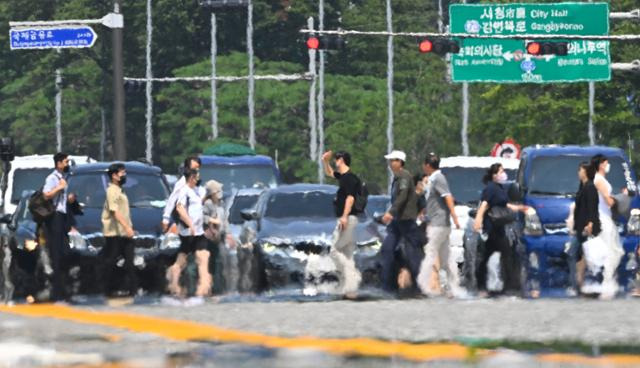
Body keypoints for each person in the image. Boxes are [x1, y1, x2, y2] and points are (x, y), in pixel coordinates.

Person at [473, 163, 528, 295]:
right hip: (492, 229)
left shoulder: (500, 188)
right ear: (494, 175)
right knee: (505, 255)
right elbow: (484, 205)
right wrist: (478, 220)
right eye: (501, 171)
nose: (504, 174)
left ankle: (486, 286)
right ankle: (508, 286)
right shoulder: (491, 189)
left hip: (499, 229)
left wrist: (521, 208)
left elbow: (506, 205)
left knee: (492, 256)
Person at [417, 154, 464, 297]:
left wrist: (455, 217)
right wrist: (424, 211)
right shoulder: (433, 179)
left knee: (429, 252)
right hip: (439, 222)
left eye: (424, 164)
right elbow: (434, 200)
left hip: (438, 224)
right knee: (446, 257)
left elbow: (448, 197)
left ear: (427, 165)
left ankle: (423, 286)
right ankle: (454, 287)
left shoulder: (438, 178)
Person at [380, 150, 425, 294]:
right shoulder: (397, 178)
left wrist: (390, 213)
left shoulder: (404, 177)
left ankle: (419, 287)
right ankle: (387, 286)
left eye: (393, 160)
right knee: (387, 249)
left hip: (406, 220)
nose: (390, 163)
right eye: (390, 160)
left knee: (413, 254)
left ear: (400, 162)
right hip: (397, 221)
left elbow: (402, 197)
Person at [322, 150, 362, 298]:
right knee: (347, 253)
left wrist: (344, 216)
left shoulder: (350, 178)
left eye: (337, 159)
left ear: (342, 160)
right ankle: (349, 289)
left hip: (348, 219)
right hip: (349, 219)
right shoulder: (344, 177)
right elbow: (329, 173)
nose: (335, 161)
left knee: (334, 249)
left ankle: (352, 275)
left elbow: (350, 199)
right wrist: (325, 161)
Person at [166, 168, 211, 297]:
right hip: (188, 231)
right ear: (191, 177)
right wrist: (190, 224)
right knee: (182, 259)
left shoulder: (197, 191)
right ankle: (173, 282)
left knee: (203, 256)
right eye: (197, 176)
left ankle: (203, 287)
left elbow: (199, 206)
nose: (199, 178)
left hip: (199, 231)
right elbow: (179, 208)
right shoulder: (184, 191)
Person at [99, 163, 138, 297]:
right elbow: (114, 211)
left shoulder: (120, 190)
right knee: (110, 261)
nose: (124, 175)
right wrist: (127, 227)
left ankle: (132, 289)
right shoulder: (112, 190)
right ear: (114, 176)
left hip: (124, 234)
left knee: (129, 261)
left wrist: (129, 227)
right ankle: (107, 289)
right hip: (114, 233)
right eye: (122, 173)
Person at [591, 154, 624, 300]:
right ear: (602, 164)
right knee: (613, 252)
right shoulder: (599, 179)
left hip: (604, 218)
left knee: (614, 251)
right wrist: (621, 199)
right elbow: (608, 201)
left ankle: (608, 283)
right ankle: (606, 285)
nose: (608, 165)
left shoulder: (599, 179)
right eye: (606, 163)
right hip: (603, 219)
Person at [566, 162, 600, 296]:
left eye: (580, 170)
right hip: (580, 227)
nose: (578, 172)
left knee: (575, 254)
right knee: (579, 255)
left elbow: (592, 207)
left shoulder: (590, 187)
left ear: (585, 171)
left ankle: (577, 286)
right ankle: (578, 285)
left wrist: (590, 224)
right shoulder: (583, 186)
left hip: (586, 228)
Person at [42, 152, 71, 301]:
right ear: (59, 163)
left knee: (65, 253)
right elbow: (46, 195)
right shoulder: (52, 178)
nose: (68, 164)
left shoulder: (63, 178)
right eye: (66, 162)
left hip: (62, 217)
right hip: (54, 218)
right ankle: (56, 292)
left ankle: (64, 290)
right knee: (56, 255)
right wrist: (59, 188)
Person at [203, 180, 235, 293]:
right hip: (209, 239)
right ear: (212, 193)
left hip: (220, 237)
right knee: (212, 264)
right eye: (217, 191)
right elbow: (201, 217)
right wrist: (212, 220)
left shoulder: (221, 204)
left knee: (221, 263)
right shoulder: (207, 204)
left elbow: (224, 220)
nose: (220, 193)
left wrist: (228, 234)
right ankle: (212, 288)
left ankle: (220, 288)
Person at [162, 156, 201, 233]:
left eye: (197, 168)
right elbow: (172, 199)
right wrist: (166, 218)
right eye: (193, 168)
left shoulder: (196, 183)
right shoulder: (182, 183)